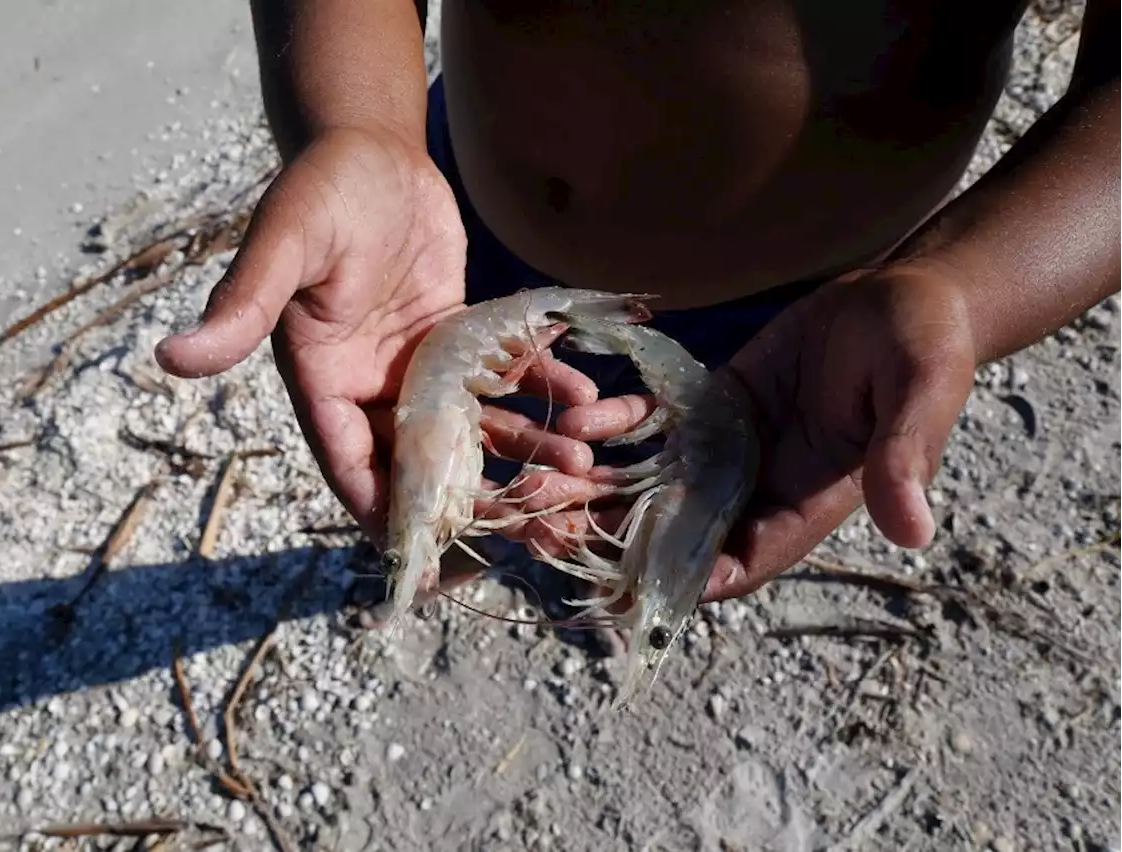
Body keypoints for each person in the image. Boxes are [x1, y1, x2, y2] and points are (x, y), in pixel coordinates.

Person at [155, 1, 1122, 610]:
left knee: (629, 502)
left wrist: (963, 287)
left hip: (795, 323)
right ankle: (454, 557)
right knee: (472, 475)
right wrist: (359, 129)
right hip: (444, 232)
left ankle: (522, 564)